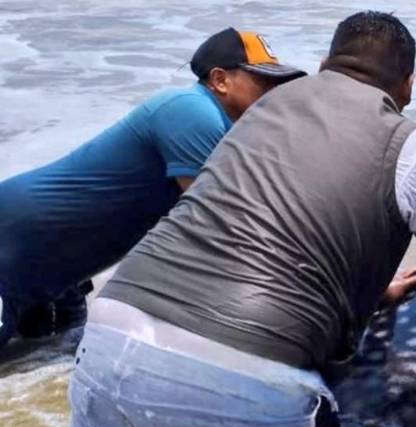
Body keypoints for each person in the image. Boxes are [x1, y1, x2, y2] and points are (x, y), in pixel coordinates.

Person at [62, 11, 416, 427]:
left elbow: (260, 231)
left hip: (107, 343)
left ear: (325, 65)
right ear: (408, 85)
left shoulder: (259, 112)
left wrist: (372, 295)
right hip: (234, 376)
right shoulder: (408, 143)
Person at [0, 28, 304, 352]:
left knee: (39, 371)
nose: (273, 92)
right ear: (220, 80)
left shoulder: (225, 130)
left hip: (59, 270)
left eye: (277, 84)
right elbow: (219, 225)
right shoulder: (190, 110)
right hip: (14, 245)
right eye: (264, 81)